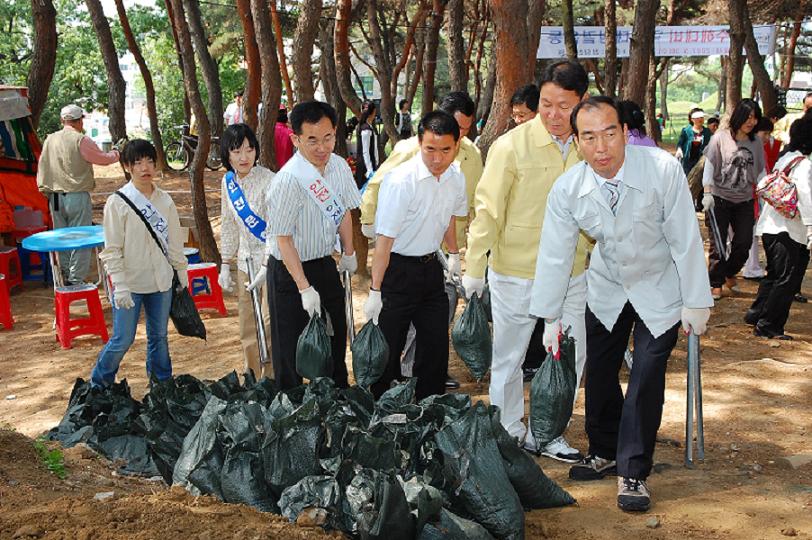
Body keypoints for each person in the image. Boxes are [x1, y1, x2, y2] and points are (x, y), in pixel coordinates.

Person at [530, 96, 711, 513]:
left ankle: (633, 469)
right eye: (589, 137)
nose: (601, 147)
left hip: (660, 287)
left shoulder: (662, 170)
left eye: (610, 134)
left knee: (646, 372)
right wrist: (551, 316)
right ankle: (604, 449)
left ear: (625, 133)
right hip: (609, 286)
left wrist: (697, 301)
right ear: (576, 142)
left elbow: (685, 237)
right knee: (599, 369)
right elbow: (555, 254)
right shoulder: (570, 188)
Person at [462, 60, 591, 462]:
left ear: (581, 102)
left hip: (572, 270)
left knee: (571, 354)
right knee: (510, 356)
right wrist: (474, 268)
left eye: (565, 106)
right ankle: (509, 433)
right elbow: (488, 211)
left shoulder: (590, 144)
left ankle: (549, 432)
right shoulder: (511, 145)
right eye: (547, 104)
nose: (554, 115)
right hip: (517, 269)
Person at [360, 91, 483, 391]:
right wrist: (375, 291)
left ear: (458, 146)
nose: (437, 158)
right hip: (397, 272)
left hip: (431, 269)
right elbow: (384, 241)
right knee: (389, 346)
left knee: (435, 345)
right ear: (419, 143)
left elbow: (450, 218)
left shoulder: (455, 177)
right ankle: (380, 410)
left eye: (445, 150)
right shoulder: (401, 182)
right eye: (430, 149)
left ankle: (429, 405)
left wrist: (454, 255)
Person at [250, 100, 361, 391]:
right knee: (290, 350)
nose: (321, 148)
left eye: (328, 138)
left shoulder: (338, 166)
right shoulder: (288, 180)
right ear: (296, 139)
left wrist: (349, 253)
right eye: (312, 140)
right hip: (289, 271)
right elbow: (283, 238)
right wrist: (303, 287)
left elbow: (344, 212)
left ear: (336, 133)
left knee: (335, 339)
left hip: (324, 264)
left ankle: (336, 403)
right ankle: (292, 413)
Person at [90, 140, 188, 387]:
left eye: (149, 161)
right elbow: (111, 249)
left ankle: (161, 384)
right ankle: (99, 384)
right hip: (130, 282)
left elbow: (175, 240)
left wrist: (181, 271)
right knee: (123, 338)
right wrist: (119, 284)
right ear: (127, 167)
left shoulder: (165, 200)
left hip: (161, 281)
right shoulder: (118, 202)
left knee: (159, 336)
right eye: (137, 162)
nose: (145, 167)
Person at [36, 104, 121, 285]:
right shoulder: (81, 140)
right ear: (79, 120)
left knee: (62, 237)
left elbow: (42, 167)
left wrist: (45, 191)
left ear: (62, 120)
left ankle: (65, 275)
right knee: (81, 237)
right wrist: (116, 153)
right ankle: (76, 279)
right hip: (77, 195)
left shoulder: (50, 140)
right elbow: (103, 159)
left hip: (55, 197)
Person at [746, 112, 812, 339]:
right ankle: (768, 326)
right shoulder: (803, 165)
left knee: (774, 276)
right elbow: (806, 198)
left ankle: (756, 314)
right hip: (788, 230)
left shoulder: (787, 157)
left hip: (770, 227)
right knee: (787, 280)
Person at [218, 123, 275, 379]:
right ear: (227, 154)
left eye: (249, 150)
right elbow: (228, 222)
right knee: (248, 326)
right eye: (237, 151)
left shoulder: (269, 180)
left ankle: (272, 378)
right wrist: (224, 263)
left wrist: (266, 263)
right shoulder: (227, 182)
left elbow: (277, 228)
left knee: (270, 323)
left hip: (272, 263)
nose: (244, 157)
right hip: (244, 265)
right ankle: (251, 377)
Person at [701, 98, 767, 300]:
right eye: (748, 117)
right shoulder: (720, 138)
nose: (752, 122)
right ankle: (716, 283)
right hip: (719, 199)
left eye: (755, 118)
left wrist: (768, 194)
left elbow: (761, 173)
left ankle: (729, 272)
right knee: (718, 245)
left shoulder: (755, 143)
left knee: (744, 243)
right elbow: (710, 166)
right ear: (738, 116)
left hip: (745, 201)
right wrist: (707, 193)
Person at [742, 117, 777, 280]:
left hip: (751, 197)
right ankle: (751, 267)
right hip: (751, 198)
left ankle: (751, 265)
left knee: (751, 234)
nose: (767, 137)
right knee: (752, 234)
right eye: (765, 133)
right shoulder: (754, 150)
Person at [675, 108, 711, 176]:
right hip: (688, 163)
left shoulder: (707, 132)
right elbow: (680, 143)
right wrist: (679, 150)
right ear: (692, 119)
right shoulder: (686, 131)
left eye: (701, 117)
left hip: (702, 162)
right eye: (697, 117)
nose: (700, 119)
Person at [355, 100, 380, 189]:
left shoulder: (367, 126)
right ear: (373, 112)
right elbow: (365, 151)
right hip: (366, 166)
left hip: (368, 163)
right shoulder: (366, 129)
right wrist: (369, 169)